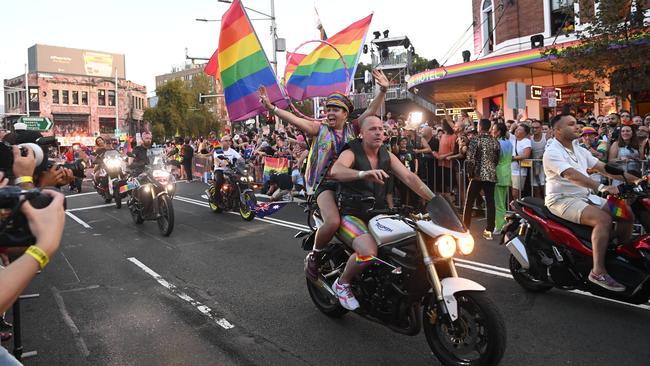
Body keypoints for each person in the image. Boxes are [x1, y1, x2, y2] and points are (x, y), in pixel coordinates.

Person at [258, 69, 389, 280]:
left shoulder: (353, 129)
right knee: (333, 221)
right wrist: (271, 108)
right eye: (328, 108)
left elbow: (371, 113)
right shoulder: (319, 129)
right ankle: (315, 255)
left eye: (335, 109)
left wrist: (383, 90)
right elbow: (294, 119)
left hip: (350, 184)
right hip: (325, 185)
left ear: (346, 114)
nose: (329, 112)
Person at [329, 116, 435, 310]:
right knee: (368, 252)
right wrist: (362, 174)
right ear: (361, 133)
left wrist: (435, 200)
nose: (379, 132)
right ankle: (342, 283)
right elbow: (336, 171)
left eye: (381, 129)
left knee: (411, 240)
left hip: (379, 214)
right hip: (352, 214)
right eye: (372, 129)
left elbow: (410, 177)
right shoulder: (353, 150)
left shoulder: (386, 155)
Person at [543, 114, 641, 292]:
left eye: (577, 124)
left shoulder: (578, 149)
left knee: (625, 213)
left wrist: (637, 180)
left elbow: (603, 168)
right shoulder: (552, 152)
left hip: (586, 197)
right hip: (562, 200)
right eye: (571, 124)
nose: (577, 127)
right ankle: (597, 271)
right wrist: (602, 187)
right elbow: (572, 175)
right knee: (602, 219)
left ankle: (619, 256)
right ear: (557, 130)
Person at [462, 119, 501, 240]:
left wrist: (469, 174)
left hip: (477, 175)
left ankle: (465, 227)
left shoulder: (475, 140)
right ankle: (489, 229)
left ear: (479, 126)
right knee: (490, 202)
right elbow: (497, 158)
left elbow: (470, 159)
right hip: (491, 174)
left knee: (469, 202)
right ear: (489, 127)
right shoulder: (495, 141)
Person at [492, 123, 512, 234]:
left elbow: (495, 159)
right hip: (506, 174)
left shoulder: (497, 143)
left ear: (499, 131)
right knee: (501, 202)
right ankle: (501, 224)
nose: (492, 131)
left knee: (499, 203)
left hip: (498, 174)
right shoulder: (509, 143)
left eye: (494, 129)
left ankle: (499, 226)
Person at [212, 135, 243, 202]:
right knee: (219, 181)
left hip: (230, 170)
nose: (228, 142)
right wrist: (221, 163)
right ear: (222, 142)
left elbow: (240, 158)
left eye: (229, 140)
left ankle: (236, 197)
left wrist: (246, 162)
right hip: (219, 170)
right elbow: (216, 159)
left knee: (240, 180)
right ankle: (217, 199)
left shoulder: (232, 151)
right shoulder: (218, 150)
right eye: (226, 141)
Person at [510, 124, 532, 200]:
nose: (516, 130)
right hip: (509, 170)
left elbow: (526, 155)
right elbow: (508, 131)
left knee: (516, 193)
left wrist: (513, 158)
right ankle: (511, 209)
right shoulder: (512, 139)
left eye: (519, 129)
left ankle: (518, 210)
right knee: (510, 193)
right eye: (517, 129)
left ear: (525, 133)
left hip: (519, 171)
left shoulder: (526, 141)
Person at [530, 120, 546, 198]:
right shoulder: (529, 138)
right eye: (533, 127)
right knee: (536, 189)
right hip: (533, 166)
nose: (534, 129)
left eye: (537, 127)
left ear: (541, 128)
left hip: (545, 167)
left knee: (544, 188)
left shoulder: (546, 137)